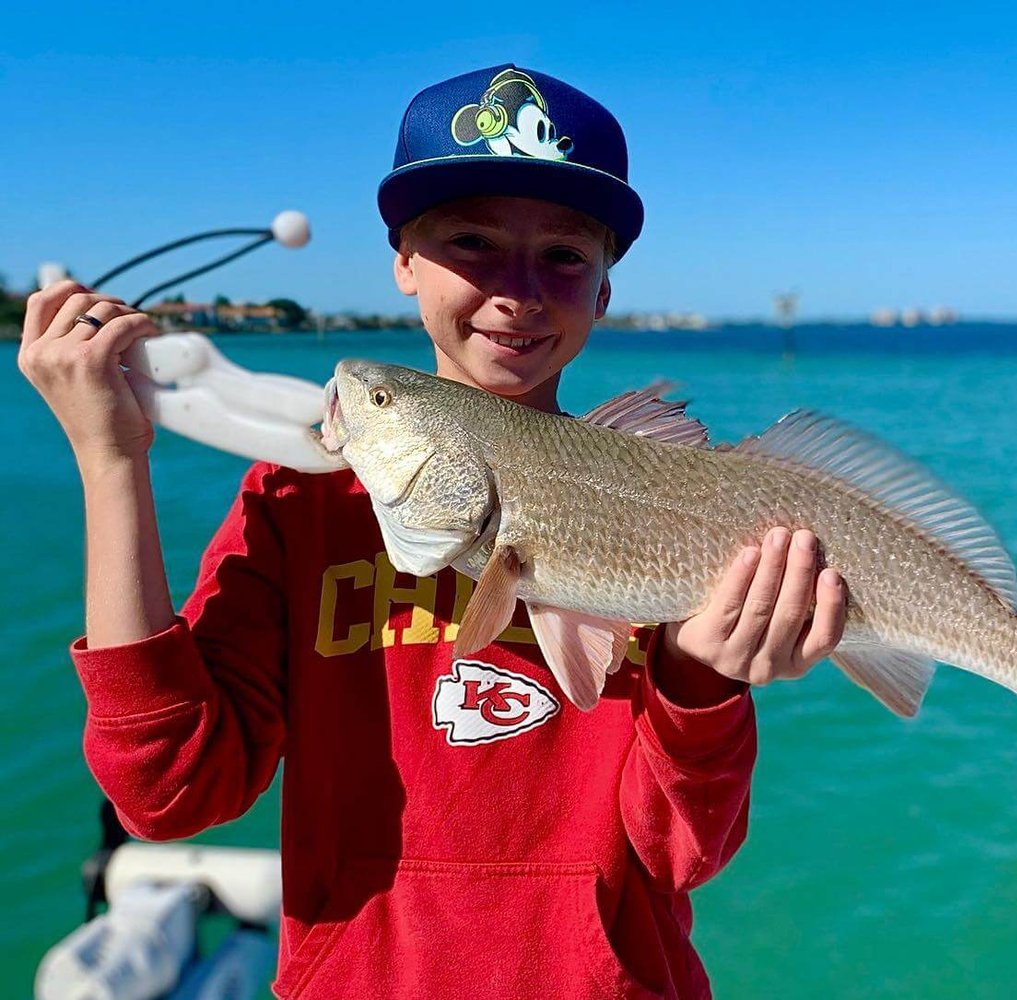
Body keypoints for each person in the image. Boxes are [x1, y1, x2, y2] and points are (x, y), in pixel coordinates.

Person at [18, 65, 846, 999]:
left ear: (607, 288)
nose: (517, 291)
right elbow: (167, 792)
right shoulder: (297, 505)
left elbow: (683, 852)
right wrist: (112, 462)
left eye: (567, 256)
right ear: (402, 261)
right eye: (470, 241)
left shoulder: (668, 513)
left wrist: (700, 677)